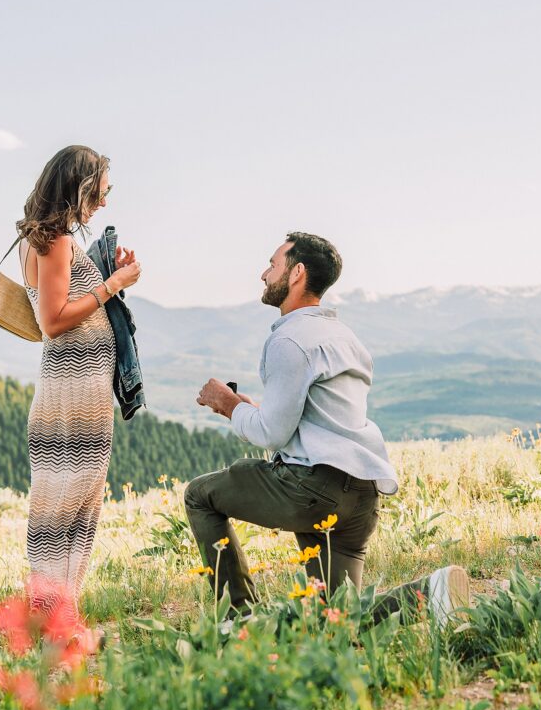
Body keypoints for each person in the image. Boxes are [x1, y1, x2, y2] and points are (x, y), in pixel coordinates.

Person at [185, 231, 469, 625]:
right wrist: (253, 408)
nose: (264, 273)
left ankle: (238, 619)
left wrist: (229, 404)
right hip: (361, 495)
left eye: (273, 264)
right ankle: (431, 593)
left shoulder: (289, 340)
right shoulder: (345, 337)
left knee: (200, 495)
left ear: (297, 273)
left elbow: (271, 435)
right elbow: (319, 417)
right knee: (339, 619)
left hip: (311, 490)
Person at [16, 145, 141, 612]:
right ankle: (55, 614)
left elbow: (67, 293)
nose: (104, 203)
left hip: (73, 386)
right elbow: (54, 319)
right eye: (101, 192)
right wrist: (115, 284)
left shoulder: (50, 238)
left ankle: (53, 609)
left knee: (66, 498)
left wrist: (107, 269)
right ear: (78, 188)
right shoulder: (54, 241)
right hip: (74, 388)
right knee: (71, 500)